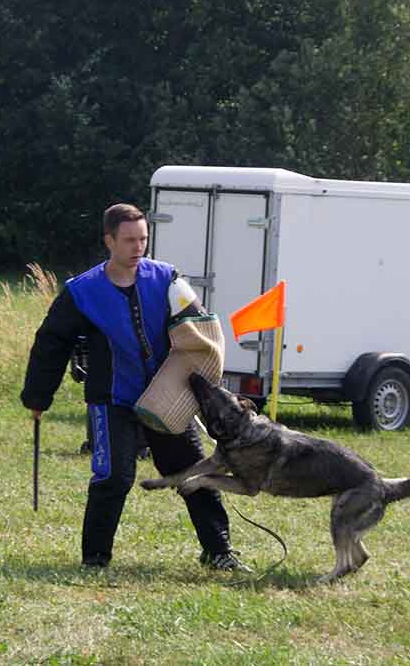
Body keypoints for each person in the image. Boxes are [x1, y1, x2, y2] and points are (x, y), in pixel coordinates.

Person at [20, 203, 248, 571]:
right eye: (129, 240)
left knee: (195, 473)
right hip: (112, 399)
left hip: (168, 399)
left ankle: (219, 551)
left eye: (143, 239)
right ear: (109, 241)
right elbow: (51, 342)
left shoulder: (168, 279)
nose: (138, 247)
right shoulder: (82, 291)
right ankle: (96, 558)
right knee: (114, 476)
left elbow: (201, 330)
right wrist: (37, 396)